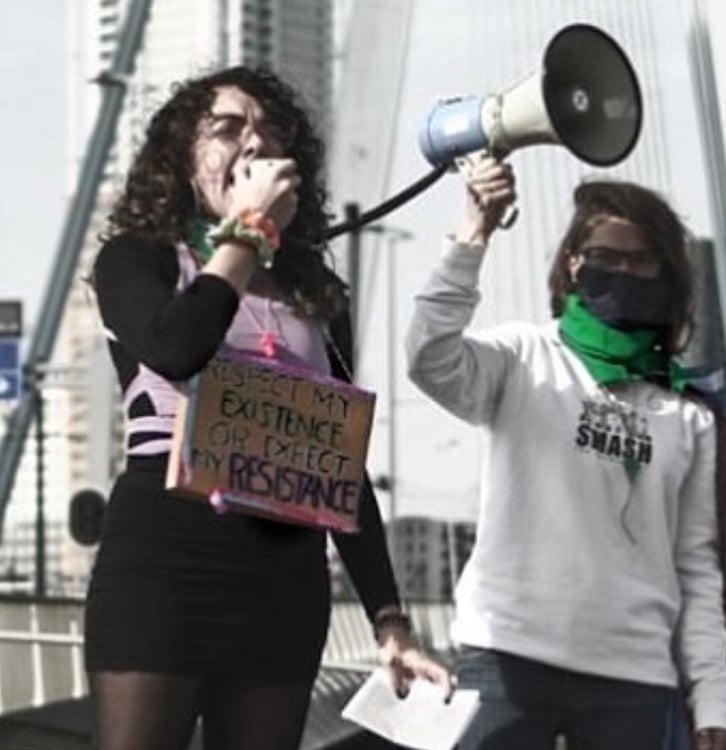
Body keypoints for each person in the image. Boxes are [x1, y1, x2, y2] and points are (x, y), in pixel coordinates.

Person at [85, 64, 451, 750]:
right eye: (227, 129)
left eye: (270, 132)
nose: (253, 143)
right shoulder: (139, 260)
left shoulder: (317, 295)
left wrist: (389, 619)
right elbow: (178, 347)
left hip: (283, 584)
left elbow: (339, 465)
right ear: (183, 156)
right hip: (165, 567)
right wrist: (247, 234)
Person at [405, 156, 726, 750]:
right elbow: (429, 361)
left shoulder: (688, 413)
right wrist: (473, 234)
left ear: (668, 274)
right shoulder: (523, 356)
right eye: (606, 257)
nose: (624, 272)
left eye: (642, 260)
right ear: (572, 265)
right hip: (505, 655)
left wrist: (713, 698)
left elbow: (696, 568)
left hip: (633, 679)